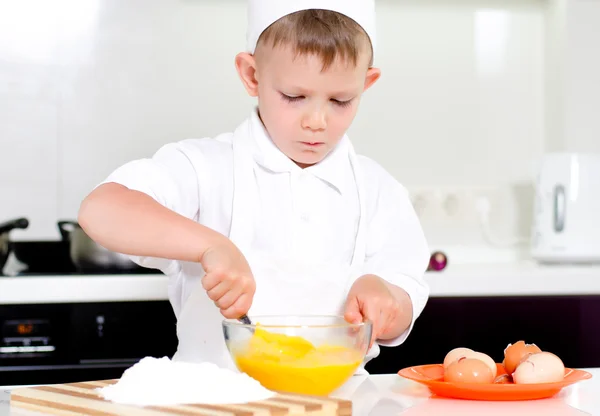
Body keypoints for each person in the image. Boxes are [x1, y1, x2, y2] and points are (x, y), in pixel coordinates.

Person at [78, 0, 430, 373]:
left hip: (339, 400)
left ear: (367, 83)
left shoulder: (377, 189)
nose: (317, 121)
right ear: (252, 75)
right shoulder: (205, 167)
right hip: (212, 402)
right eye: (294, 97)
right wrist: (212, 246)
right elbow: (100, 209)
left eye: (341, 100)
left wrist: (386, 299)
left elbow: (404, 295)